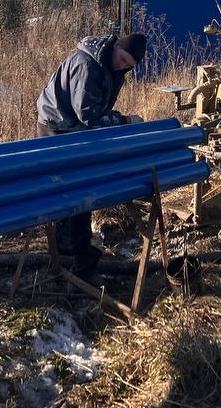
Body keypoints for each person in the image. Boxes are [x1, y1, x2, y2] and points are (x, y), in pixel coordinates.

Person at [36, 32, 147, 279]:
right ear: (115, 47)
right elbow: (89, 115)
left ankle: (72, 249)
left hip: (76, 129)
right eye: (122, 59)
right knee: (73, 189)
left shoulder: (112, 68)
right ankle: (74, 253)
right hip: (57, 127)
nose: (123, 66)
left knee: (76, 188)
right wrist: (125, 120)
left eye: (129, 65)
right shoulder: (86, 66)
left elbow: (96, 112)